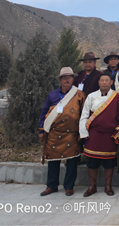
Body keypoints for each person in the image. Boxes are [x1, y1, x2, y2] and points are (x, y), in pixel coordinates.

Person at [39, 67, 86, 196]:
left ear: (73, 79)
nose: (67, 80)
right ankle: (52, 185)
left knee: (72, 162)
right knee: (53, 161)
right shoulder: (52, 95)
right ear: (60, 79)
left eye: (70, 77)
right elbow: (44, 112)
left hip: (72, 134)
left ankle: (69, 186)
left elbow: (84, 114)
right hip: (54, 133)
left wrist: (83, 133)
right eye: (64, 77)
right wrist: (41, 130)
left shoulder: (79, 95)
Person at [79, 73, 119, 197]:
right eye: (102, 80)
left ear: (111, 82)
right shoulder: (91, 96)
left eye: (107, 80)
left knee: (109, 162)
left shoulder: (117, 97)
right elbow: (84, 115)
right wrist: (84, 132)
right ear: (98, 83)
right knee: (92, 162)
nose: (104, 82)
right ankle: (91, 186)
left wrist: (118, 130)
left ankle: (108, 186)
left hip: (109, 136)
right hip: (93, 134)